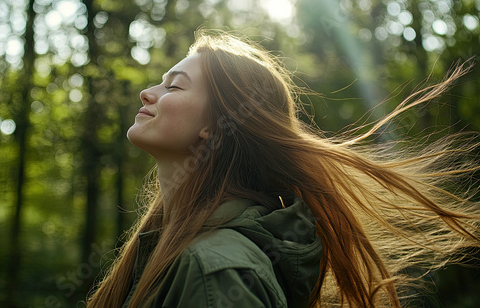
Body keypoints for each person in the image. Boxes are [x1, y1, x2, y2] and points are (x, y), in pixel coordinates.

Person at [87, 29, 480, 307]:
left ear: (214, 126)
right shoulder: (172, 250)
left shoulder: (217, 272)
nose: (147, 92)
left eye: (174, 86)